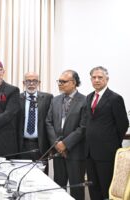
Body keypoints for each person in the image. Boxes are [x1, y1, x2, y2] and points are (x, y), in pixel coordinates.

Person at [85, 66, 129, 200]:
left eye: (100, 77)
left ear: (107, 79)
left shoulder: (115, 98)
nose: (97, 80)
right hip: (89, 152)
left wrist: (111, 142)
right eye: (94, 77)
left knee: (106, 188)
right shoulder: (89, 97)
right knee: (93, 189)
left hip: (107, 153)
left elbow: (123, 124)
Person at [46, 70, 86, 200]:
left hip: (75, 152)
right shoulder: (55, 100)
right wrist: (57, 144)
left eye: (63, 82)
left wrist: (66, 144)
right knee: (58, 188)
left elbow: (83, 127)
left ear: (74, 83)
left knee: (76, 189)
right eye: (59, 81)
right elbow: (48, 122)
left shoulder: (85, 101)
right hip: (58, 151)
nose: (60, 84)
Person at [17, 72, 53, 172]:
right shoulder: (16, 98)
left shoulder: (48, 98)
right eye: (28, 81)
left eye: (34, 81)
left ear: (39, 82)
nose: (31, 84)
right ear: (23, 83)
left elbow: (51, 122)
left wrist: (51, 147)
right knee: (22, 175)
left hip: (41, 145)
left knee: (41, 177)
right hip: (22, 145)